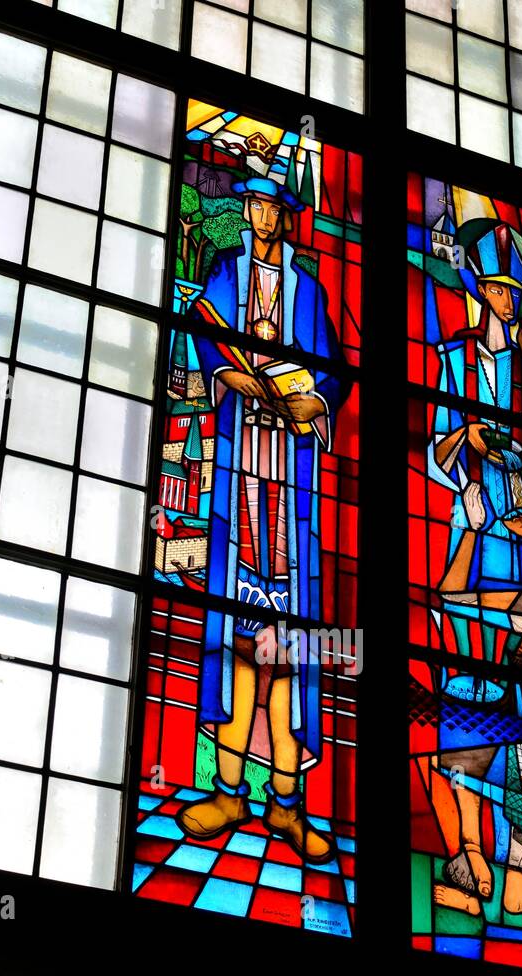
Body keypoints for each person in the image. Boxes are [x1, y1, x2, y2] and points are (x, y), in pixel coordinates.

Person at [422, 220, 522, 948]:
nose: (503, 301)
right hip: (471, 538)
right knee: (468, 704)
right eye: (492, 288)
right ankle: (466, 861)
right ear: (475, 289)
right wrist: (469, 440)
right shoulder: (450, 358)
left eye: (513, 293)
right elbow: (434, 453)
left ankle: (520, 862)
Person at [177, 177, 348, 864]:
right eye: (252, 203)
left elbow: (331, 372)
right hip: (237, 467)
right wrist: (238, 378)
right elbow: (210, 344)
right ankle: (227, 790)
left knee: (289, 648)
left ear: (288, 216)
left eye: (273, 204)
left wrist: (316, 402)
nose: (261, 214)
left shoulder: (309, 292)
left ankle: (284, 802)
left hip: (292, 483)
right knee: (238, 643)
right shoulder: (225, 275)